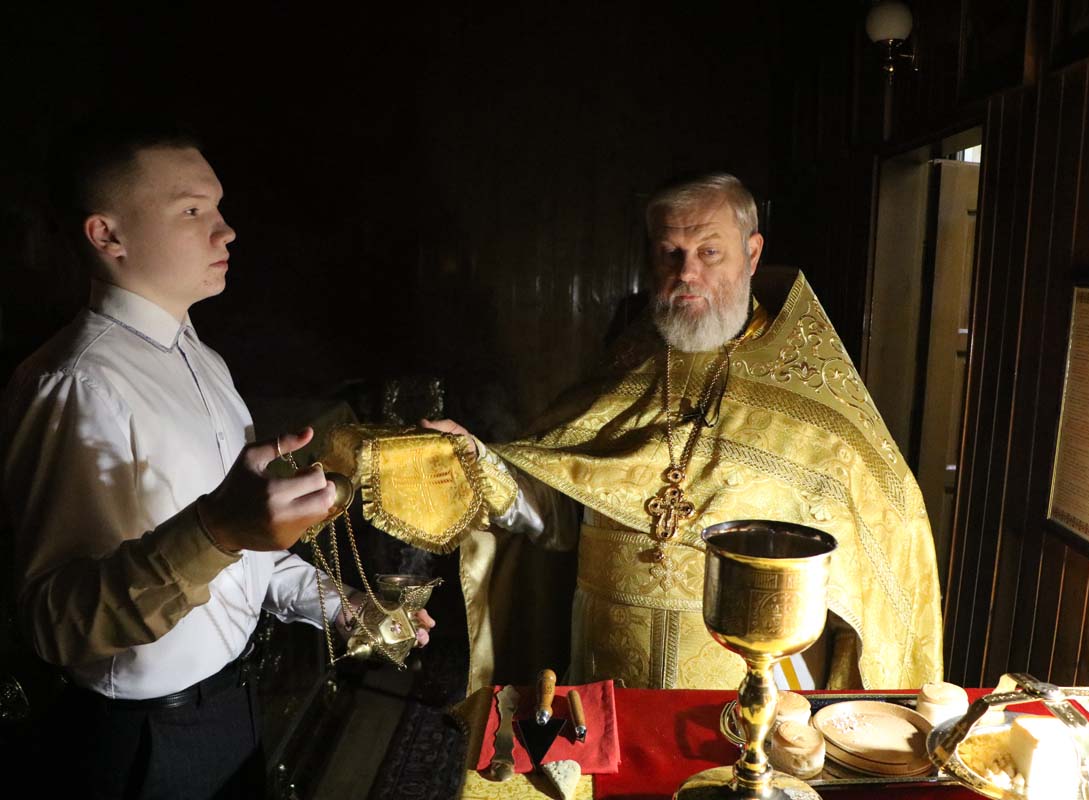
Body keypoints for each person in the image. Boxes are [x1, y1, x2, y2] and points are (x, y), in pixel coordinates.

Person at [0, 116, 432, 798]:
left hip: (234, 705)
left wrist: (343, 605)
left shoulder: (203, 360)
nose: (225, 231)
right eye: (193, 211)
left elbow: (243, 552)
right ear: (107, 235)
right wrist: (218, 531)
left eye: (219, 208)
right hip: (145, 741)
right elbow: (58, 624)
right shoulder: (77, 384)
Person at [425, 172, 941, 692]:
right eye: (669, 253)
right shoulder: (622, 372)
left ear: (752, 253)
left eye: (709, 253)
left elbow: (887, 544)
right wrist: (479, 465)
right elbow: (558, 505)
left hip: (748, 686)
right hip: (606, 670)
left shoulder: (814, 402)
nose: (686, 273)